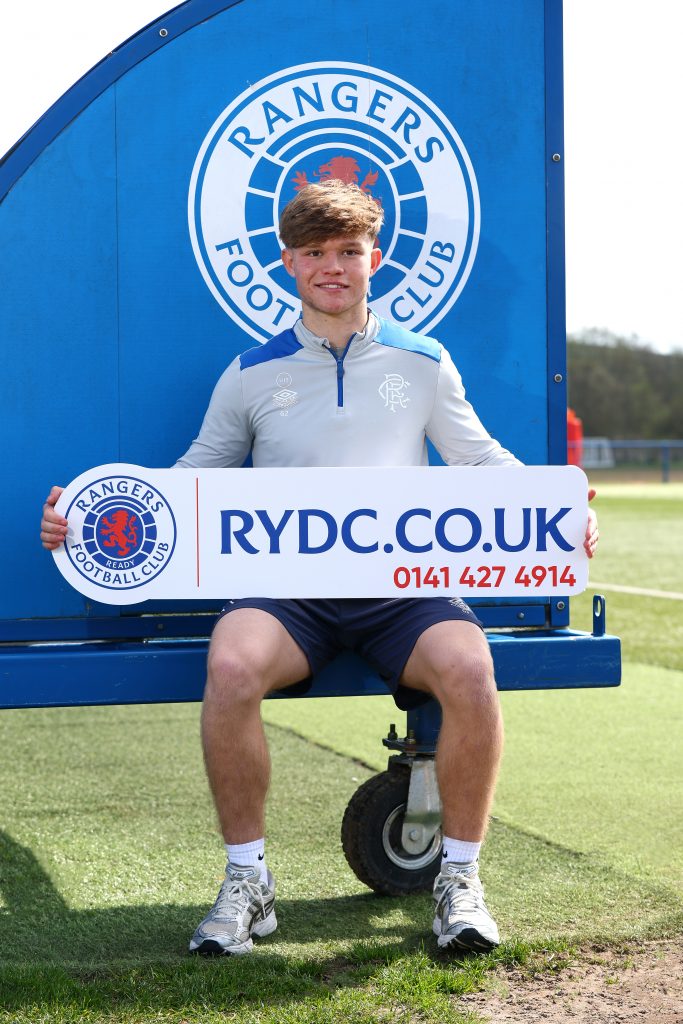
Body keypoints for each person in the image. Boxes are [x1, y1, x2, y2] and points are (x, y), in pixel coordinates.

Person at [41, 180, 599, 957]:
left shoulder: (423, 361)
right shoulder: (250, 371)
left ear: (376, 258)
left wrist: (558, 515)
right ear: (288, 263)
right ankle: (248, 883)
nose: (331, 266)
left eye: (347, 251)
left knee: (471, 670)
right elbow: (190, 478)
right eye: (313, 253)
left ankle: (460, 882)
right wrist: (90, 520)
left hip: (401, 592)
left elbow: (479, 460)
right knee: (230, 666)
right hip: (287, 595)